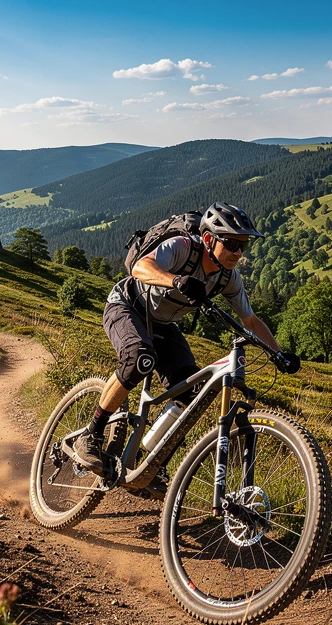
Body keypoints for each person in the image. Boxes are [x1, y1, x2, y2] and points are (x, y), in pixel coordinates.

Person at [67, 202, 298, 477]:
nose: (238, 253)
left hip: (164, 324)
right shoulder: (182, 247)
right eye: (232, 244)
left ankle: (150, 464)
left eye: (243, 246)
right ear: (210, 239)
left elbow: (250, 321)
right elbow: (141, 267)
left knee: (190, 392)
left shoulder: (228, 279)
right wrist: (176, 280)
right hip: (127, 307)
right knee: (140, 358)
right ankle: (91, 436)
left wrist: (278, 354)